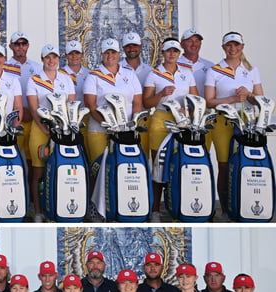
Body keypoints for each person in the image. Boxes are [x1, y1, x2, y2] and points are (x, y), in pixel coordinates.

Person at [204, 32, 264, 217]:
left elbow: (261, 99)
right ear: (223, 48)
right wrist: (232, 98)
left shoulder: (251, 70)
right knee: (224, 165)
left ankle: (243, 204)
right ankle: (225, 208)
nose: (233, 48)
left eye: (236, 45)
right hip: (222, 121)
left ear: (242, 47)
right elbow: (209, 101)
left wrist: (249, 94)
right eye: (229, 45)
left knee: (245, 164)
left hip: (246, 121)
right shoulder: (215, 70)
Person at [143, 38, 198, 219]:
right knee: (158, 165)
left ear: (179, 53)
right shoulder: (154, 74)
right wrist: (161, 94)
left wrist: (188, 109)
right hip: (160, 119)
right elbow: (146, 102)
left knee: (179, 163)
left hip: (182, 120)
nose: (172, 54)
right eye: (168, 51)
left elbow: (195, 98)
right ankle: (155, 210)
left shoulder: (187, 73)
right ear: (163, 53)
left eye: (175, 51)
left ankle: (177, 206)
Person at [26, 44, 76, 221]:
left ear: (59, 59)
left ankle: (57, 208)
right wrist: (44, 130)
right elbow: (33, 109)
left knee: (61, 170)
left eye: (54, 57)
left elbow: (70, 106)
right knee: (38, 172)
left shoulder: (66, 80)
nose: (51, 61)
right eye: (48, 57)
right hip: (41, 130)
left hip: (62, 131)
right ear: (42, 59)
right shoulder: (34, 80)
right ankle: (38, 211)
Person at [83, 38, 143, 164]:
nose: (110, 56)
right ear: (102, 54)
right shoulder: (93, 76)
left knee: (123, 166)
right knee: (98, 168)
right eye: (107, 52)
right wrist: (108, 124)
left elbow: (137, 102)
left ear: (119, 54)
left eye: (113, 52)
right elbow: (91, 105)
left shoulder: (130, 74)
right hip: (99, 130)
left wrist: (133, 124)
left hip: (126, 131)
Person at [6, 31, 43, 168]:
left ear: (28, 45)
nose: (20, 47)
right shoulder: (4, 67)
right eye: (17, 44)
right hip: (13, 121)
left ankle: (32, 190)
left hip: (34, 120)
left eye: (23, 43)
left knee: (33, 161)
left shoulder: (38, 68)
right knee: (11, 160)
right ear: (11, 46)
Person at [178, 29, 213, 97]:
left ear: (200, 44)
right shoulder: (174, 65)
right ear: (182, 45)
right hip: (181, 106)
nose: (194, 44)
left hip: (205, 107)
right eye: (190, 41)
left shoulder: (209, 66)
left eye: (197, 41)